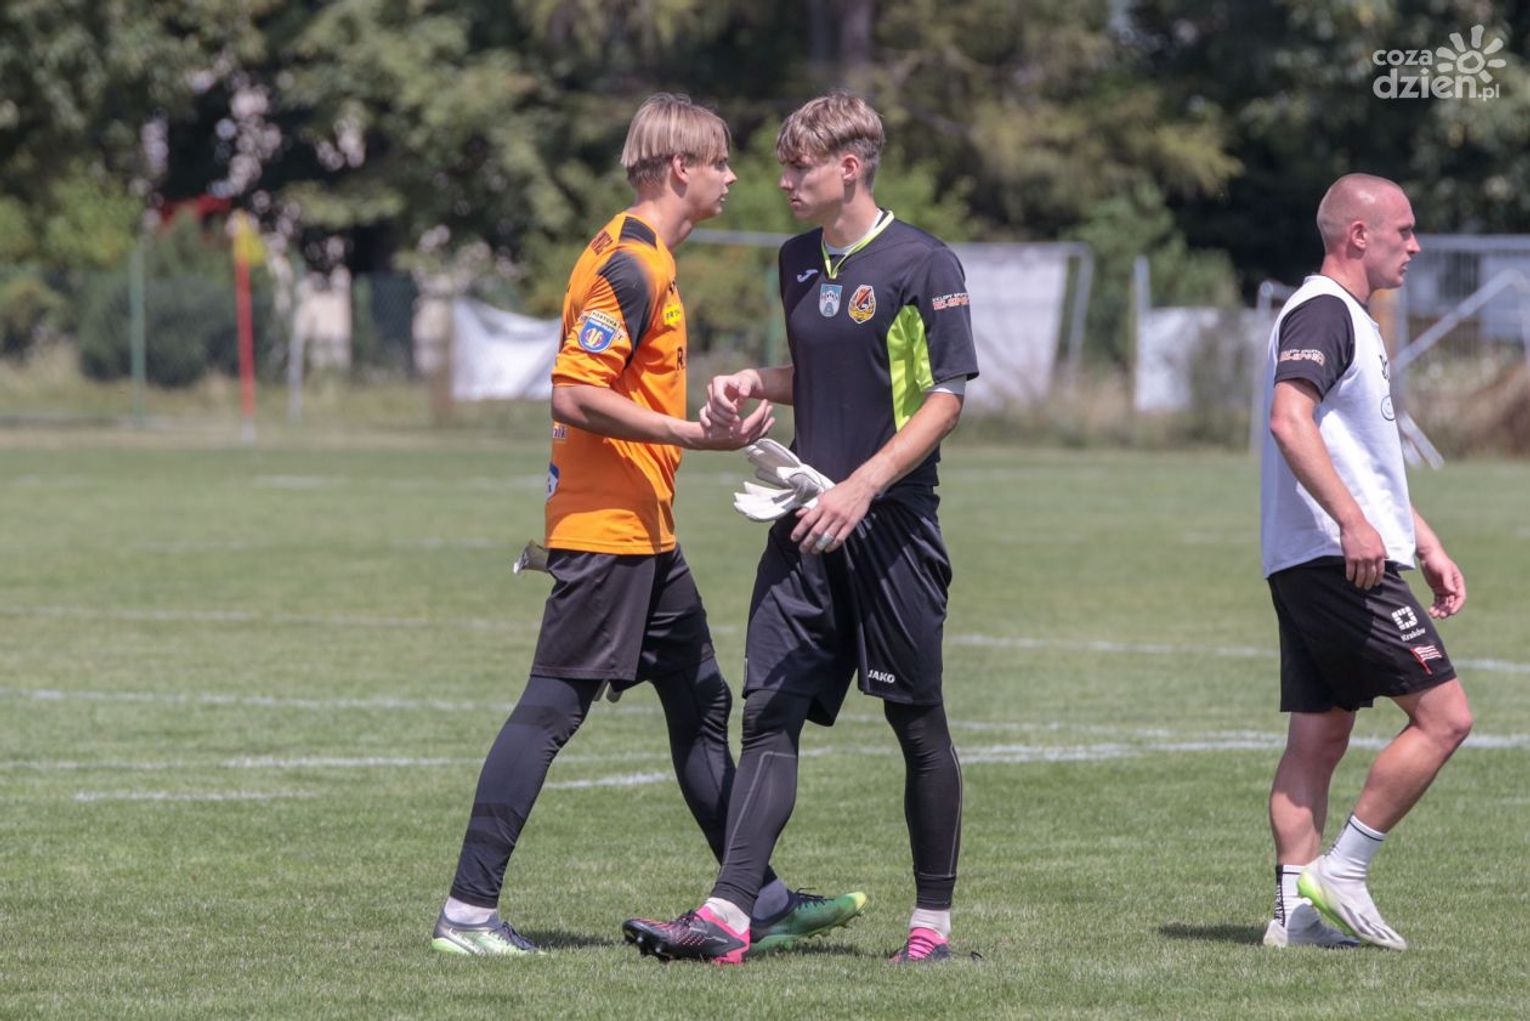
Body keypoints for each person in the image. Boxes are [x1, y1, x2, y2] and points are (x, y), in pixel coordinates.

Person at [432, 93, 865, 956]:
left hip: (645, 533)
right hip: (607, 532)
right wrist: (691, 435)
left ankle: (759, 899)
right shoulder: (632, 265)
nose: (733, 177)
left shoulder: (642, 254)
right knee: (550, 709)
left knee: (703, 701)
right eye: (720, 163)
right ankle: (468, 912)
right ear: (679, 168)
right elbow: (572, 393)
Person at [622, 92, 979, 965]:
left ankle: (931, 926)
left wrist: (862, 487)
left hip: (892, 531)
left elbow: (945, 398)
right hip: (803, 520)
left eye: (799, 168)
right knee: (768, 712)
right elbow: (826, 373)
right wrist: (754, 379)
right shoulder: (794, 261)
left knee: (917, 724)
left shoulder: (924, 263)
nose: (782, 182)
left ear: (848, 168)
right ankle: (730, 913)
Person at [1260, 173, 1472, 951]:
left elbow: (1360, 460)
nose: (1414, 245)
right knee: (1446, 718)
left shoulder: (1349, 318)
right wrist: (1353, 524)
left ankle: (1297, 918)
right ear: (1359, 235)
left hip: (1315, 555)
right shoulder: (1322, 310)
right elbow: (1290, 420)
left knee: (1319, 737)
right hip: (1336, 559)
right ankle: (1343, 871)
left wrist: (1426, 541)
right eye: (1403, 231)